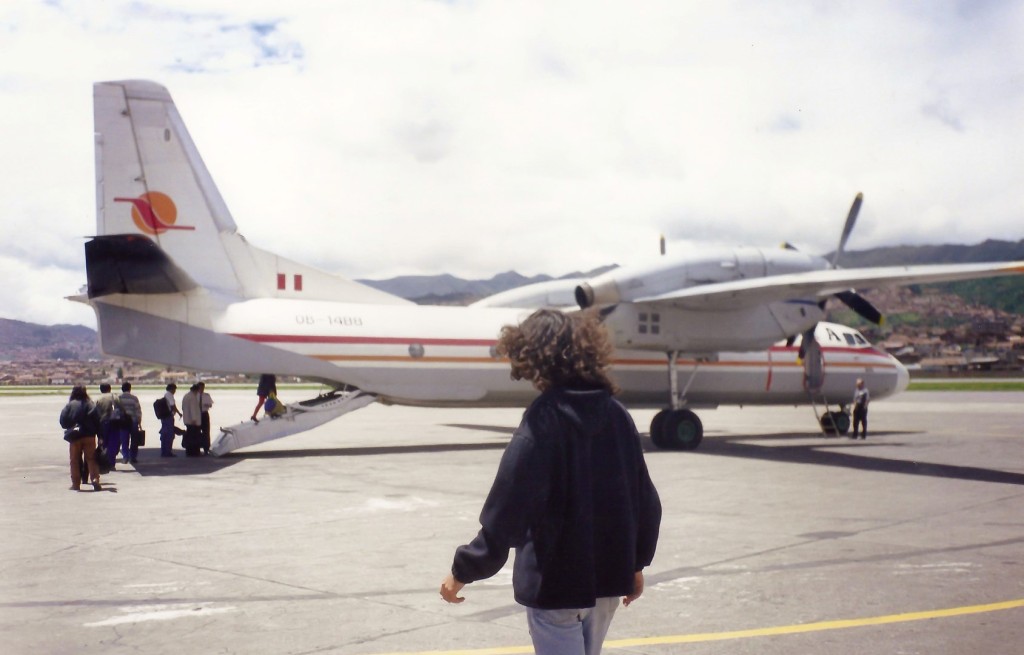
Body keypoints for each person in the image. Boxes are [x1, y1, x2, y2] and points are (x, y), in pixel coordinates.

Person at [440, 309, 662, 655]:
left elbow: (508, 509)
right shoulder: (617, 415)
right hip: (607, 583)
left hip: (554, 586)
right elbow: (645, 501)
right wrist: (635, 564)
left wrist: (464, 569)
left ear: (533, 357)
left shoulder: (543, 420)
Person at [59, 385, 102, 491]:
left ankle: (76, 484)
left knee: (74, 460)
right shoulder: (90, 404)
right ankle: (95, 479)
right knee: (91, 459)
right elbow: (98, 421)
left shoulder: (70, 405)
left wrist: (70, 426)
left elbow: (63, 421)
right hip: (89, 436)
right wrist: (100, 436)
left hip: (75, 436)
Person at [94, 383, 123, 471]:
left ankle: (102, 463)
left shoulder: (99, 399)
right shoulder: (116, 397)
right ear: (110, 389)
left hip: (103, 423)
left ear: (101, 389)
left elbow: (96, 413)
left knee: (103, 443)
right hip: (115, 422)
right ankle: (111, 463)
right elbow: (121, 410)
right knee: (113, 443)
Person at [118, 382, 143, 464]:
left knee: (124, 440)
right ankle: (133, 457)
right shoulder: (134, 398)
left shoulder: (119, 398)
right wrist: (139, 421)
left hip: (123, 422)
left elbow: (117, 410)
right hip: (133, 421)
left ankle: (125, 457)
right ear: (130, 388)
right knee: (134, 440)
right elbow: (138, 410)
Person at [181, 383, 203, 456]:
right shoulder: (192, 397)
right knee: (194, 438)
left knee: (189, 437)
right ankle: (194, 452)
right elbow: (193, 409)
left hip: (187, 420)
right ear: (196, 390)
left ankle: (189, 451)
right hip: (193, 421)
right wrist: (194, 419)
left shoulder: (186, 396)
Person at [159, 383, 181, 457]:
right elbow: (172, 405)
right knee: (169, 435)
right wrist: (178, 413)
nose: (175, 391)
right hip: (169, 417)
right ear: (172, 389)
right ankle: (167, 452)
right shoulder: (169, 395)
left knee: (165, 434)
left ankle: (164, 451)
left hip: (165, 417)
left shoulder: (166, 395)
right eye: (174, 389)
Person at [199, 382, 214, 455]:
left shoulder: (206, 395)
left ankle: (206, 448)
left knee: (206, 431)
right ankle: (197, 447)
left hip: (204, 413)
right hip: (197, 414)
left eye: (203, 387)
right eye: (200, 387)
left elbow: (211, 404)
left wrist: (207, 404)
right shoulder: (195, 395)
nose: (202, 389)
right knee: (197, 432)